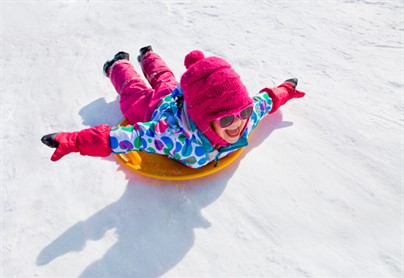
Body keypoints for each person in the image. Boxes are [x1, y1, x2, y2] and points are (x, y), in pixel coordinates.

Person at [41, 46, 305, 169]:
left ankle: (149, 56)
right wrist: (76, 141)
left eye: (243, 112)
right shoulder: (173, 138)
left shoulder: (246, 116)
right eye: (225, 120)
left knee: (166, 79)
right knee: (133, 92)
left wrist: (286, 89)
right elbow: (126, 137)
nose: (238, 124)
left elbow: (264, 101)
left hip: (179, 94)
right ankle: (117, 64)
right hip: (154, 109)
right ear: (205, 120)